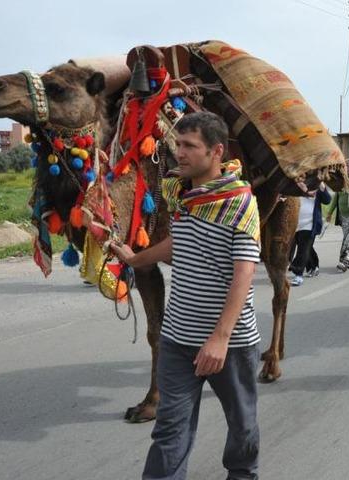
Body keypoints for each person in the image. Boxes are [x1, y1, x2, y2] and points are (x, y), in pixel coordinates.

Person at [110, 112, 261, 480]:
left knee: (242, 426)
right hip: (177, 340)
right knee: (169, 429)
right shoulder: (182, 195)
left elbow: (244, 274)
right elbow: (177, 243)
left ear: (216, 151)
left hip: (230, 345)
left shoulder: (238, 202)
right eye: (178, 144)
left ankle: (242, 475)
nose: (179, 152)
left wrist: (220, 339)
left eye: (190, 146)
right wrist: (136, 259)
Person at [288, 183, 331, 286]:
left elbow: (327, 200)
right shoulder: (296, 184)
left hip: (310, 224)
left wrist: (322, 187)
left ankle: (298, 274)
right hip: (296, 223)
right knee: (306, 247)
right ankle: (313, 266)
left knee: (303, 248)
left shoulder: (316, 185)